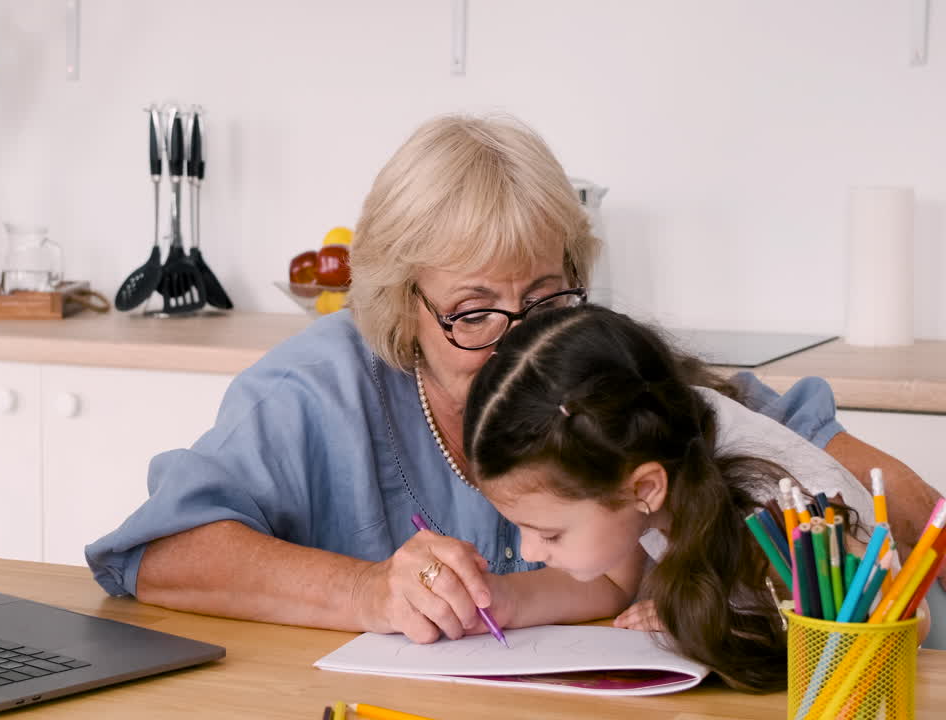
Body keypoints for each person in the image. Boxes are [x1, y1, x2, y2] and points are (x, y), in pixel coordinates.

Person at [86, 113, 944, 644]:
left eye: (545, 296)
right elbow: (159, 553)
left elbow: (816, 460)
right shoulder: (314, 392)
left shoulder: (605, 370)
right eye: (472, 310)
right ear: (398, 303)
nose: (520, 341)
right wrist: (366, 591)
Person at [462, 303, 907, 691]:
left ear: (645, 489)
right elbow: (642, 582)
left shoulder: (776, 508)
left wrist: (727, 628)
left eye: (550, 534)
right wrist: (702, 614)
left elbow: (890, 624)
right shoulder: (645, 438)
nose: (528, 551)